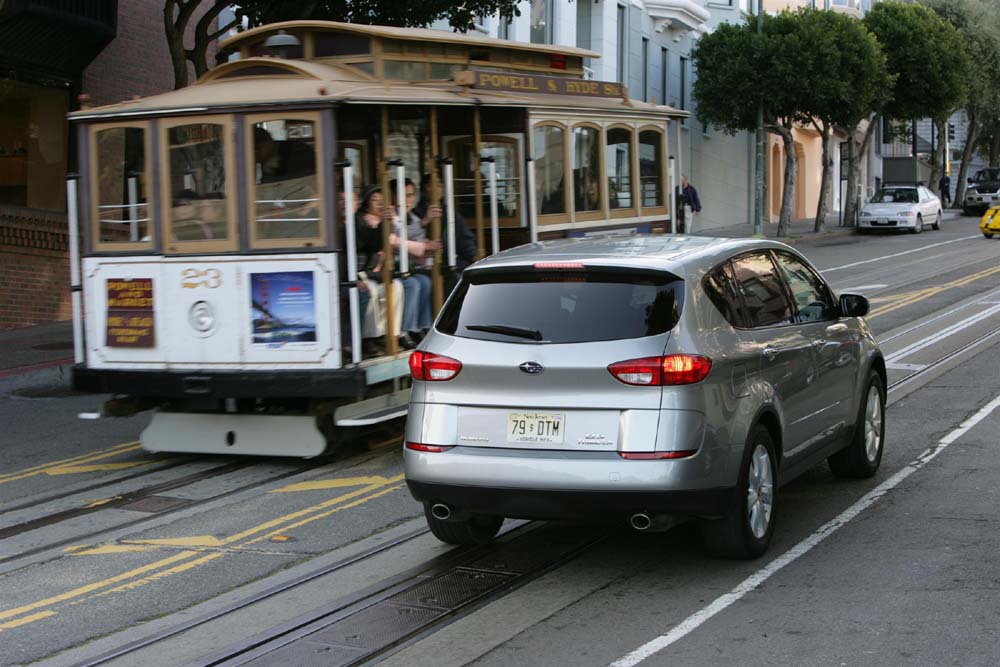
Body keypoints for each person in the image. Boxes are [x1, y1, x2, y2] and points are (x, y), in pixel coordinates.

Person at [389, 178, 444, 348]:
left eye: (411, 195)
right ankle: (405, 329)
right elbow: (398, 237)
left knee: (427, 282)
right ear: (393, 197)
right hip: (392, 267)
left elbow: (417, 239)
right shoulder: (391, 215)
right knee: (413, 284)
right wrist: (425, 223)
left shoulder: (410, 216)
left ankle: (422, 326)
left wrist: (429, 251)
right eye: (403, 196)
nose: (408, 200)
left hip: (411, 265)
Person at [356, 186, 404, 354]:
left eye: (382, 201)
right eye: (374, 201)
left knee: (396, 287)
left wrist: (389, 221)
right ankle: (370, 338)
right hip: (361, 272)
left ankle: (390, 333)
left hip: (375, 273)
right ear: (366, 203)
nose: (378, 205)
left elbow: (387, 242)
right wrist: (385, 223)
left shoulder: (383, 222)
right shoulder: (360, 220)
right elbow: (369, 242)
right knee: (372, 290)